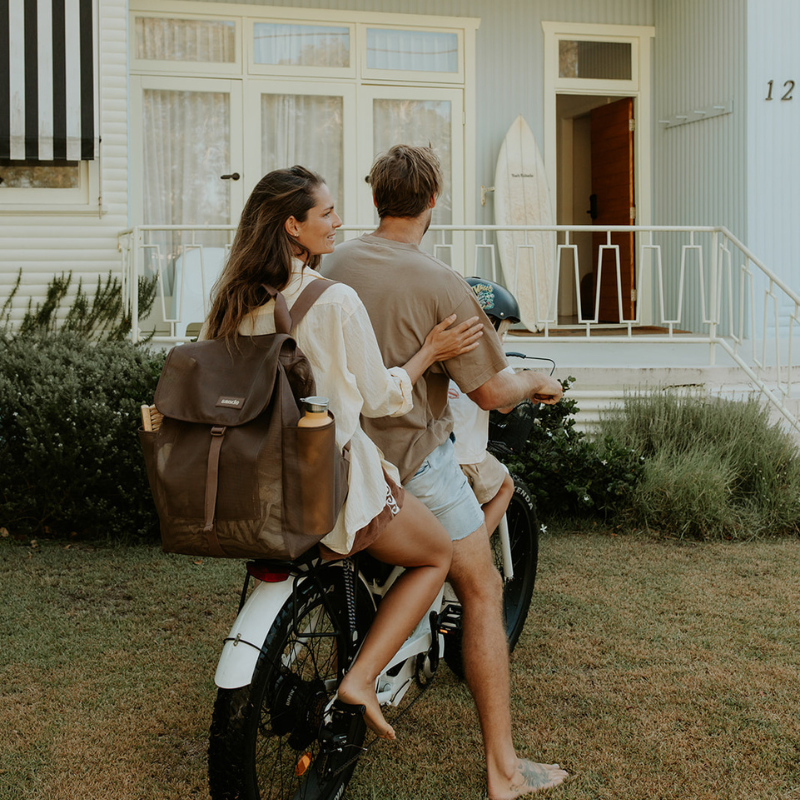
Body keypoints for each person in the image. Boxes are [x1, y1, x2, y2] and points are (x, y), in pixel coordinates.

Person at [201, 165, 485, 741]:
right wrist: (428, 353)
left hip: (259, 483)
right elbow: (380, 399)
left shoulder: (233, 301)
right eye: (326, 214)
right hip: (330, 484)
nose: (338, 222)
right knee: (434, 556)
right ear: (292, 226)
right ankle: (360, 679)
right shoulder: (334, 300)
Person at [322, 145, 569, 799]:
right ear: (434, 201)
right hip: (410, 465)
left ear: (376, 197)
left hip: (336, 458)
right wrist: (540, 380)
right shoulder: (441, 282)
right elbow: (491, 392)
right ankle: (504, 772)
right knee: (483, 589)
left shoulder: (333, 262)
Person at [449, 278, 520, 536]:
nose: (502, 342)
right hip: (468, 462)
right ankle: (477, 545)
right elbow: (504, 406)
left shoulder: (441, 350)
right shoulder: (495, 364)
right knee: (506, 486)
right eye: (502, 334)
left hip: (429, 459)